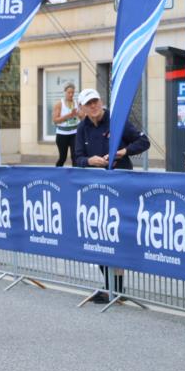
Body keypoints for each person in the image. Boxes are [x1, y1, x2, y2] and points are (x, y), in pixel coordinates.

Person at [73, 88, 150, 303]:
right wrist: (90, 161)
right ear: (82, 108)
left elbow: (143, 142)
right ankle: (110, 287)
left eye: (96, 101)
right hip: (95, 190)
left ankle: (116, 288)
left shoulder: (117, 121)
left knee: (116, 236)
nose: (94, 106)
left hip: (120, 186)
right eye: (89, 103)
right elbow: (77, 158)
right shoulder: (82, 129)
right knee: (98, 236)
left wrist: (123, 152)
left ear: (102, 101)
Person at [52, 82, 81, 167]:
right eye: (69, 92)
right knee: (63, 157)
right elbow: (55, 120)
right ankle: (57, 174)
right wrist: (69, 115)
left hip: (74, 133)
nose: (71, 94)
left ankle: (75, 177)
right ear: (64, 92)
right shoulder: (59, 104)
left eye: (73, 92)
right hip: (62, 134)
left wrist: (78, 114)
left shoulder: (77, 103)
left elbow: (82, 117)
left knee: (75, 157)